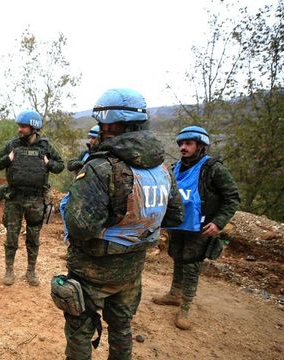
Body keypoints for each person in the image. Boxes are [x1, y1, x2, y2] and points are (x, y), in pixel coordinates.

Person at [61, 88, 184, 359]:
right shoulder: (163, 169)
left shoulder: (100, 167)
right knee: (121, 327)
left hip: (92, 271)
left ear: (118, 125)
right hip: (132, 269)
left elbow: (81, 228)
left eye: (106, 123)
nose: (101, 128)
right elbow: (175, 216)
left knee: (80, 330)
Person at [152, 125, 240, 330]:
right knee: (177, 256)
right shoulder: (174, 168)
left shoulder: (213, 169)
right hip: (178, 224)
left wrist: (219, 222)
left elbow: (232, 197)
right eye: (181, 143)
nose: (183, 147)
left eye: (188, 144)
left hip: (200, 226)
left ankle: (185, 307)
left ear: (200, 146)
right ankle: (174, 293)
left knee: (192, 265)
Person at [0, 109, 64, 286]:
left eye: (23, 126)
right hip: (14, 198)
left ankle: (31, 271)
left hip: (35, 200)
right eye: (19, 126)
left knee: (33, 237)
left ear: (34, 128)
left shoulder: (45, 146)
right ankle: (9, 270)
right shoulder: (12, 145)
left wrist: (48, 163)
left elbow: (60, 166)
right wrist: (8, 159)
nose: (19, 129)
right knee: (11, 236)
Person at [60, 125, 101, 243]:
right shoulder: (85, 154)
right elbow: (72, 163)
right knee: (64, 204)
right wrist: (77, 164)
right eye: (90, 138)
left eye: (94, 138)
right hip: (81, 188)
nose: (90, 140)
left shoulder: (103, 155)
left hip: (97, 190)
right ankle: (68, 235)